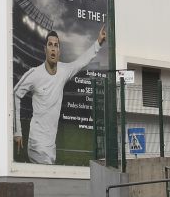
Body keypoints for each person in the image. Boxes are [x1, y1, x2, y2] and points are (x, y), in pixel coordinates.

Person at [14, 25, 106, 164]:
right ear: (45, 49)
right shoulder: (34, 74)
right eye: (50, 45)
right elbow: (15, 94)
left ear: (59, 51)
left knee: (48, 175)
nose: (53, 48)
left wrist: (98, 42)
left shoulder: (64, 71)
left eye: (56, 45)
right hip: (37, 144)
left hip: (51, 146)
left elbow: (81, 62)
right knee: (47, 175)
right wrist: (17, 131)